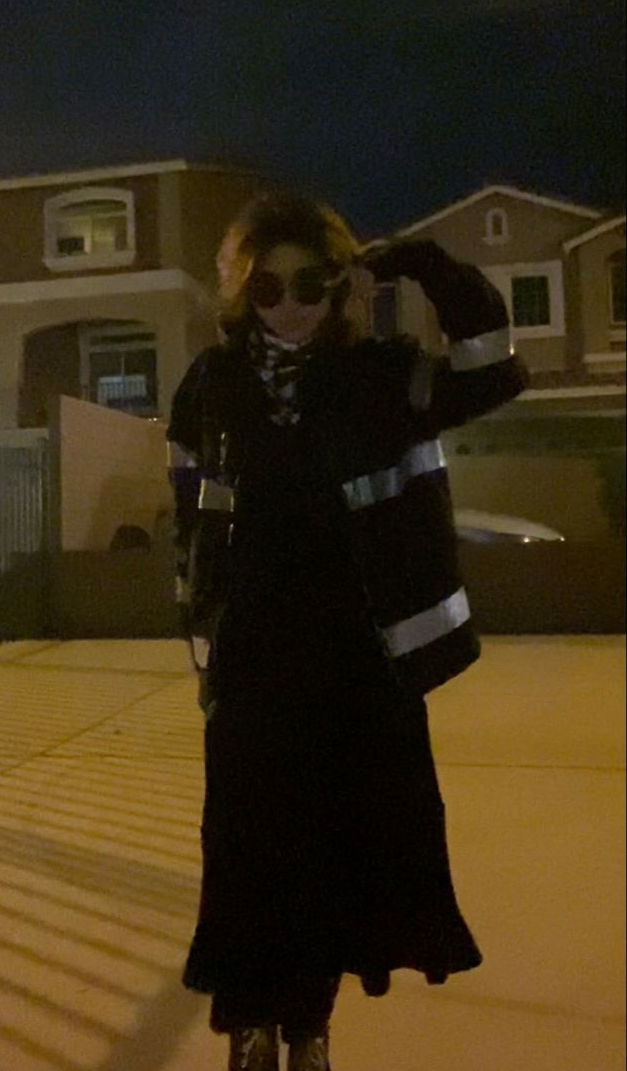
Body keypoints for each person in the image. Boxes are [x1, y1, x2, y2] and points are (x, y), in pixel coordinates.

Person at [167, 193, 530, 1071]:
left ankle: (309, 1028)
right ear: (240, 293)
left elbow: (490, 367)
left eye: (310, 284)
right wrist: (201, 625)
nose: (289, 303)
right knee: (251, 847)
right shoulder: (210, 384)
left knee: (337, 851)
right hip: (254, 656)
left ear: (339, 289)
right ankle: (250, 1023)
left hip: (362, 660)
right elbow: (189, 513)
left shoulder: (383, 374)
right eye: (267, 287)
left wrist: (424, 266)